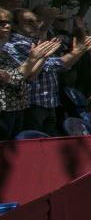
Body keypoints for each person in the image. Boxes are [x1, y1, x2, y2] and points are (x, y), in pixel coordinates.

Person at [3, 8, 91, 135]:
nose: (36, 25)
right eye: (29, 22)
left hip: (45, 102)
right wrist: (78, 51)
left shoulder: (34, 42)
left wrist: (42, 57)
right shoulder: (16, 44)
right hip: (29, 105)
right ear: (16, 25)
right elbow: (53, 65)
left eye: (37, 21)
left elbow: (32, 75)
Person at [0, 7, 61, 139]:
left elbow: (29, 77)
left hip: (17, 109)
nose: (6, 26)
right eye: (1, 23)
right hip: (3, 112)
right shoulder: (11, 46)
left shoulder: (4, 53)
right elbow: (11, 78)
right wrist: (32, 59)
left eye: (8, 22)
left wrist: (43, 57)